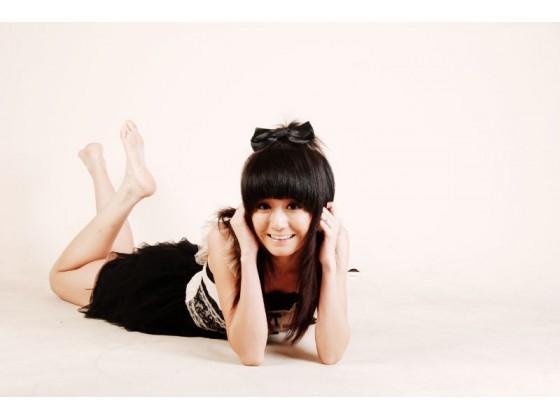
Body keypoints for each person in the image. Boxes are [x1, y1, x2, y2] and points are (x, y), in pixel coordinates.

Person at [49, 120, 350, 365]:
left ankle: (102, 169)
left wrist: (328, 263)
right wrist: (247, 254)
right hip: (165, 298)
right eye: (263, 206)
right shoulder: (227, 240)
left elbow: (332, 353)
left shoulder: (332, 242)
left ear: (322, 209)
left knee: (119, 255)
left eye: (294, 205)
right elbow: (251, 354)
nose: (278, 223)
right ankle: (128, 190)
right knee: (61, 277)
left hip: (198, 276)